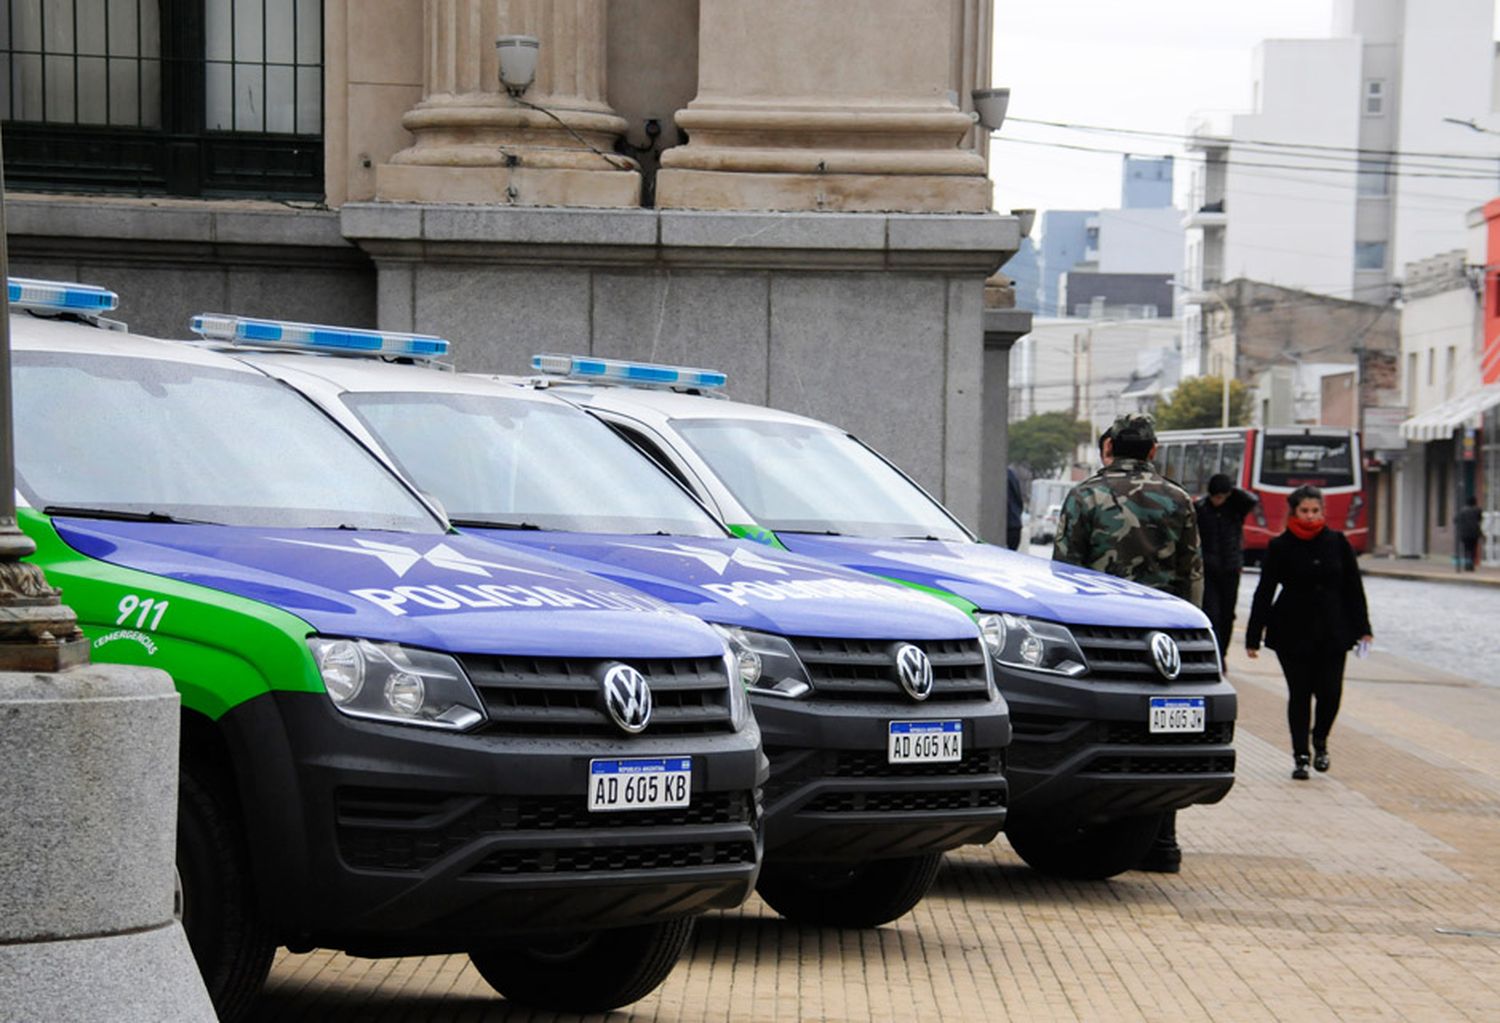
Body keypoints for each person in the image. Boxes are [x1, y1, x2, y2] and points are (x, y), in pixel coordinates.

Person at [1054, 412, 1203, 873]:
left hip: (1098, 637)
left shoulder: (1084, 496)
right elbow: (1192, 575)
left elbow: (1062, 572)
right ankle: (1163, 841)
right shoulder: (1178, 499)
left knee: (1108, 729)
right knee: (1167, 732)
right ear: (1153, 451)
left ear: (1108, 448)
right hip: (1164, 639)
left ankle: (1103, 827)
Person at [1245, 484, 1373, 781]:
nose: (1311, 516)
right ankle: (1301, 755)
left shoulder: (1338, 543)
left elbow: (1353, 588)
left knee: (1330, 694)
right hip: (1292, 630)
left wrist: (1364, 628)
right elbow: (1264, 592)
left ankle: (1320, 740)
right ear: (1294, 512)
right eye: (1305, 511)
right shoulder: (1280, 547)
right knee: (1300, 695)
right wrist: (1253, 636)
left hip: (1333, 629)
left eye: (1315, 511)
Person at [1195, 473, 1258, 662]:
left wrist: (1232, 490)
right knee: (1212, 612)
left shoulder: (1235, 508)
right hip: (1209, 568)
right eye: (1215, 497)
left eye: (1222, 497)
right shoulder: (1201, 509)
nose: (1218, 501)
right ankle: (1214, 653)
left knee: (1227, 613)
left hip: (1230, 568)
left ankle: (1222, 652)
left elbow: (1251, 500)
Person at [1455, 496, 1483, 572]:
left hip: (1464, 533)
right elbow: (1480, 519)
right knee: (1473, 549)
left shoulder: (1462, 511)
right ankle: (1471, 565)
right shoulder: (1478, 510)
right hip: (1474, 533)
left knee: (1466, 549)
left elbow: (1455, 520)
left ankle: (1467, 564)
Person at [1005, 466, 1025, 551]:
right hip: (1015, 523)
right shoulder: (1011, 474)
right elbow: (1019, 500)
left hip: (1009, 525)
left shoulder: (1004, 474)